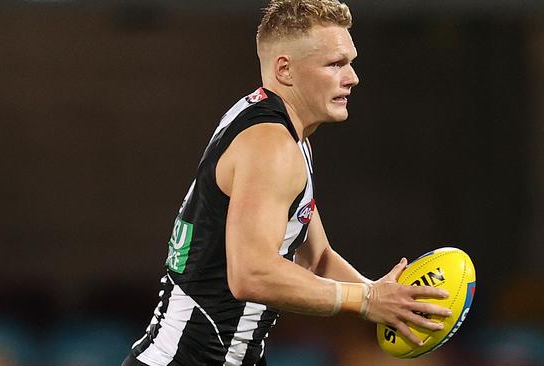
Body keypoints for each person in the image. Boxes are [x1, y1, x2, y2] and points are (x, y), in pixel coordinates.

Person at [123, 1, 452, 365]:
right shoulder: (271, 146)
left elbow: (317, 258)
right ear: (285, 69)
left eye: (350, 61)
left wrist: (382, 295)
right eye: (335, 64)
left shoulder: (281, 132)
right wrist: (368, 301)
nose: (353, 77)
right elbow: (250, 273)